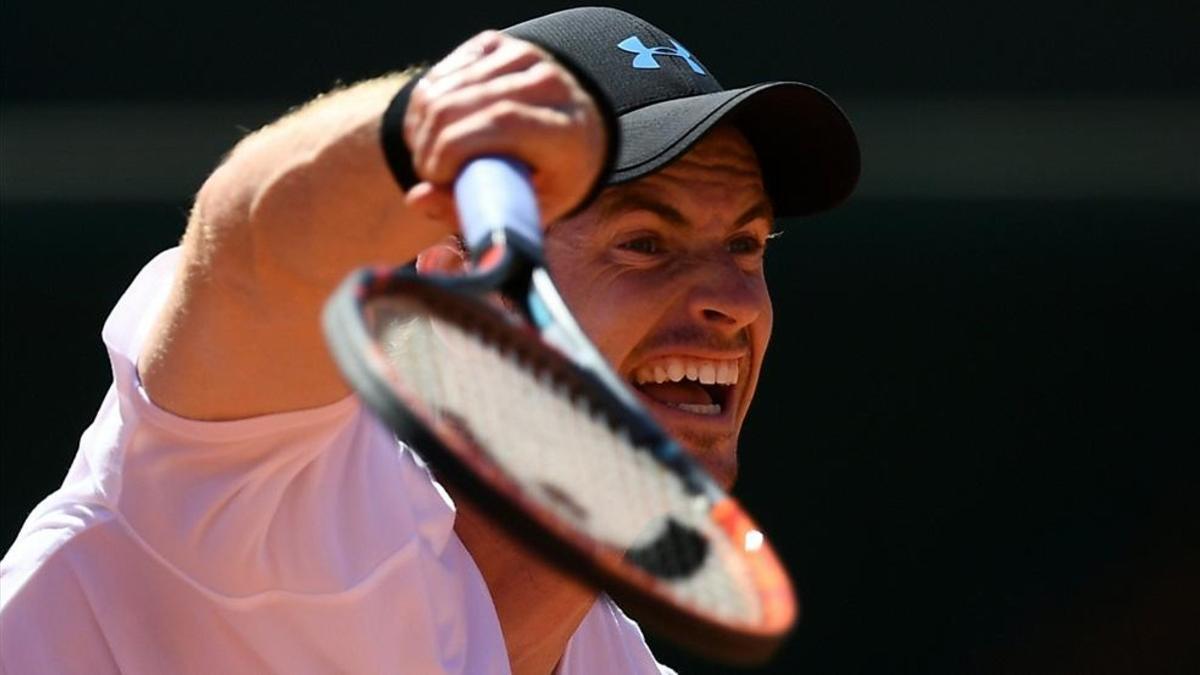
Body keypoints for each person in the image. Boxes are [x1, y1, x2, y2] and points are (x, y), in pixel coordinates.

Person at [0, 7, 858, 674]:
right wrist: (443, 120)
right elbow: (253, 244)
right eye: (644, 242)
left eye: (745, 245)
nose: (730, 299)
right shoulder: (274, 505)